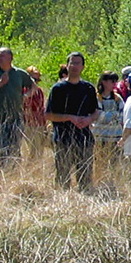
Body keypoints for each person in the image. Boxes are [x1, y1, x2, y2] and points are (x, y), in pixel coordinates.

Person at [44, 51, 98, 192]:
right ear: (67, 66)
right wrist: (69, 117)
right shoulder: (58, 89)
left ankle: (85, 203)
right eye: (72, 63)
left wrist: (89, 119)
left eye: (78, 63)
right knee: (63, 177)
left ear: (83, 67)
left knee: (85, 177)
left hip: (84, 138)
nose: (74, 66)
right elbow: (49, 115)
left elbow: (96, 111)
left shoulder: (88, 88)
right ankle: (63, 204)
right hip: (63, 139)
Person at [92, 71, 125, 181]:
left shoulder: (117, 98)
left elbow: (123, 114)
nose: (114, 84)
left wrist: (109, 115)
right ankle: (100, 180)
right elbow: (99, 117)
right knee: (100, 161)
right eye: (112, 81)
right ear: (104, 82)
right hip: (100, 136)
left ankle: (113, 182)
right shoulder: (97, 98)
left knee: (114, 163)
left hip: (115, 136)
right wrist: (114, 115)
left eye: (115, 81)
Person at [22, 66, 48, 157]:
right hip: (29, 124)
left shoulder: (39, 91)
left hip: (40, 123)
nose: (35, 82)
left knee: (40, 151)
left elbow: (41, 107)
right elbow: (21, 104)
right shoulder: (23, 90)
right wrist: (30, 92)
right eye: (33, 79)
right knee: (34, 151)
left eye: (37, 80)